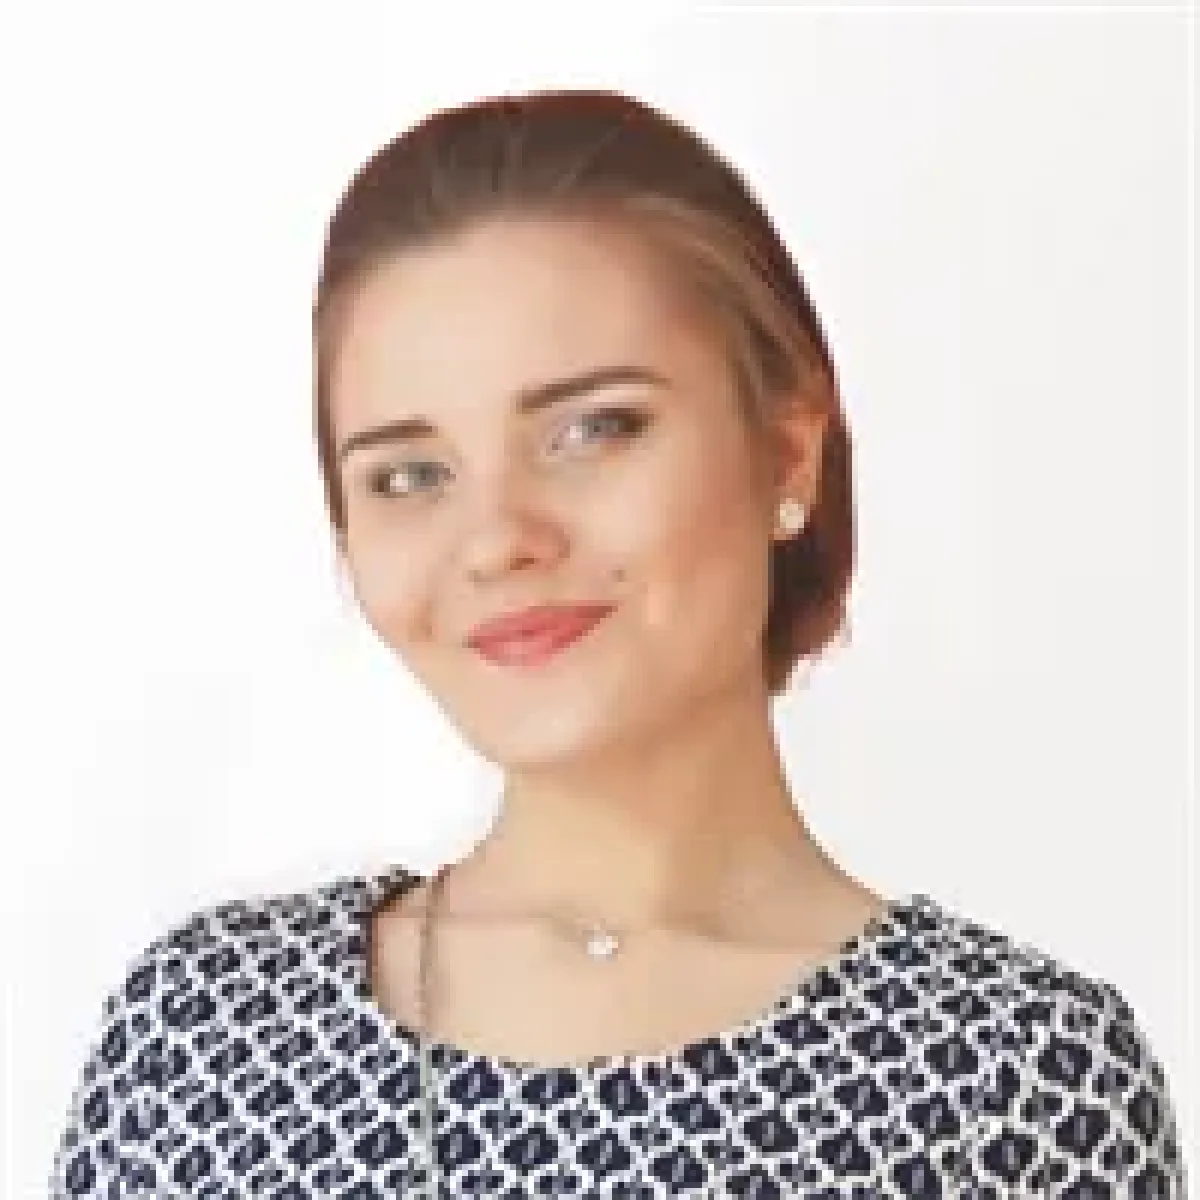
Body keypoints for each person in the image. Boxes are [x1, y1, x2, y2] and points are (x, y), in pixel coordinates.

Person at [50, 88, 1187, 1198]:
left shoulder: (1015, 1081)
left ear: (789, 452)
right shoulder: (203, 1035)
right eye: (410, 475)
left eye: (592, 430)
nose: (497, 539)